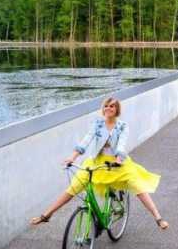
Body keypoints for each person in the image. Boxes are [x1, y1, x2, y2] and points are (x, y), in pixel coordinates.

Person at [30, 96, 169, 230]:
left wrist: (119, 159)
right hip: (97, 162)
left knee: (137, 186)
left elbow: (122, 143)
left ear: (117, 109)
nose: (108, 108)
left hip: (117, 162)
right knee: (74, 187)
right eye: (106, 106)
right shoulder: (97, 124)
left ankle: (158, 217)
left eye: (112, 106)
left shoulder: (122, 126)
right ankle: (46, 215)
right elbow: (86, 140)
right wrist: (72, 157)